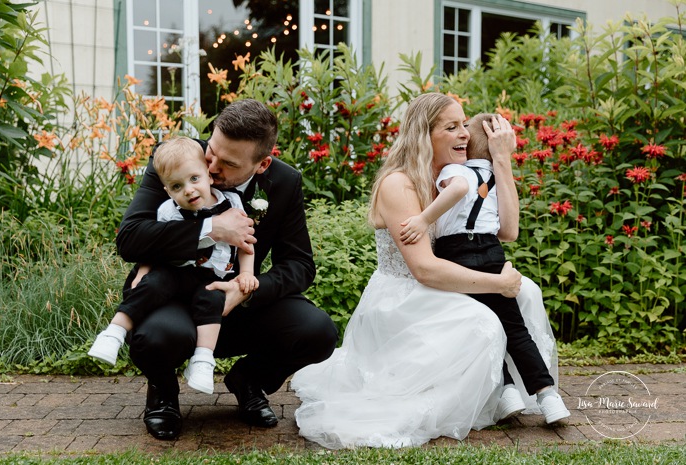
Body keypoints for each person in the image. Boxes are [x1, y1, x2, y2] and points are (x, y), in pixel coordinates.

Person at [291, 93, 559, 449]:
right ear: (423, 135)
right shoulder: (399, 184)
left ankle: (512, 390)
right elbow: (424, 269)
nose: (465, 134)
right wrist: (498, 283)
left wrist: (502, 160)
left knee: (528, 291)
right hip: (406, 295)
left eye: (464, 124)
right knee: (486, 319)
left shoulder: (456, 177)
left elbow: (508, 232)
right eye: (452, 127)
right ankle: (483, 394)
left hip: (443, 282)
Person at [115, 99, 338, 440]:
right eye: (212, 151)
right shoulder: (177, 159)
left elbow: (299, 265)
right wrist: (211, 231)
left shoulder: (285, 182)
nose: (212, 166)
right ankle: (162, 393)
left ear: (262, 164)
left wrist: (246, 290)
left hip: (235, 304)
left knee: (317, 331)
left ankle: (248, 380)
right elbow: (130, 238)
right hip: (175, 297)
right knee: (156, 337)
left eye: (228, 163)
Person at [399, 113, 570, 424]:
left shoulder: (456, 170)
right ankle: (548, 397)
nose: (460, 134)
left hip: (457, 252)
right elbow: (507, 232)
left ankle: (506, 392)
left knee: (482, 324)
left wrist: (423, 220)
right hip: (492, 250)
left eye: (464, 129)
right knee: (515, 330)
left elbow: (458, 189)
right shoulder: (492, 176)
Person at [88, 137, 258, 395]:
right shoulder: (168, 210)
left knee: (212, 299)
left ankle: (202, 360)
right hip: (175, 272)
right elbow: (155, 245)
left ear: (209, 176)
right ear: (167, 190)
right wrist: (144, 272)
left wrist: (246, 274)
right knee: (153, 284)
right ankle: (113, 333)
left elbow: (246, 241)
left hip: (210, 277)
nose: (188, 190)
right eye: (177, 186)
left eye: (194, 179)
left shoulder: (231, 203)